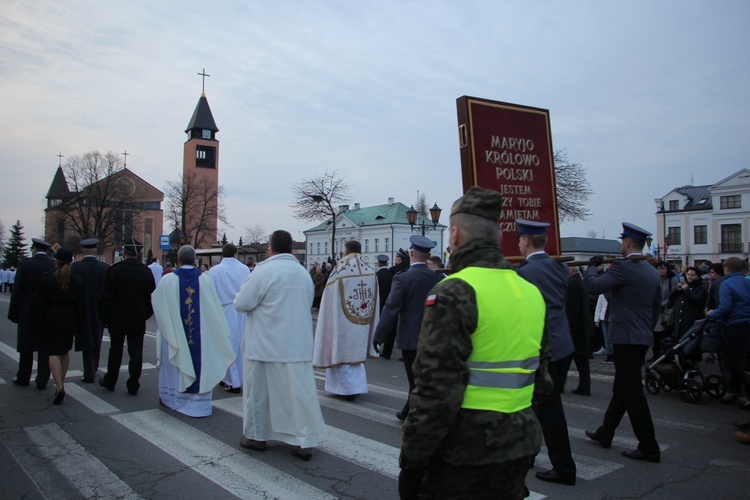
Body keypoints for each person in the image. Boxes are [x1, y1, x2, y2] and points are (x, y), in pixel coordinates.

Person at [399, 186, 552, 499]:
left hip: (464, 453)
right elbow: (542, 380)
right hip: (518, 445)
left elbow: (434, 391)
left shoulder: (454, 291)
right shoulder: (529, 291)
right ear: (498, 238)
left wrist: (412, 463)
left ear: (454, 236)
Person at [234, 230, 327, 460]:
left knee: (258, 394)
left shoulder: (263, 270)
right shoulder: (302, 273)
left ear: (270, 248)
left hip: (265, 343)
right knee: (298, 396)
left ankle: (256, 437)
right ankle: (302, 441)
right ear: (291, 249)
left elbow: (242, 303)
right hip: (296, 344)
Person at [584, 222, 662, 463]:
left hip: (625, 337)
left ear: (628, 243)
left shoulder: (624, 267)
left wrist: (591, 268)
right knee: (623, 387)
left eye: (622, 241)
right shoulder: (650, 270)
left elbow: (593, 287)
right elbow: (656, 307)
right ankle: (606, 433)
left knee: (632, 391)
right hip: (641, 336)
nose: (621, 245)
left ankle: (649, 446)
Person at [515, 218, 576, 486]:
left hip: (541, 348)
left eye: (519, 238)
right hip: (563, 344)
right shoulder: (559, 268)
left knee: (548, 411)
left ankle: (564, 468)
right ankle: (528, 454)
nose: (518, 242)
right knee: (534, 405)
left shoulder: (525, 273)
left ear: (526, 240)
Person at [152, 245, 235, 417]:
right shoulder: (205, 281)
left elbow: (158, 306)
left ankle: (172, 399)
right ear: (194, 260)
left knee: (176, 362)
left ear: (179, 259)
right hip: (202, 339)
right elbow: (214, 309)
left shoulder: (167, 281)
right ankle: (198, 406)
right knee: (201, 362)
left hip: (175, 336)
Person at [373, 235, 442, 421]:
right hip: (432, 336)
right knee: (421, 377)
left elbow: (391, 309)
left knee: (415, 379)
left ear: (411, 253)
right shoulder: (437, 278)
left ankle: (414, 416)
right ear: (428, 255)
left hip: (410, 337)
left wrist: (378, 335)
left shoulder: (403, 278)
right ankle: (407, 411)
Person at [313, 240, 379, 400]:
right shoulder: (370, 270)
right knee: (356, 353)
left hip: (343, 321)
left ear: (346, 252)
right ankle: (356, 386)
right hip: (363, 320)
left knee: (341, 351)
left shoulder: (339, 271)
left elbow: (329, 300)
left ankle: (346, 389)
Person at [98, 238, 156, 395]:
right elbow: (151, 297)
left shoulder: (115, 270)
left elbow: (106, 297)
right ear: (138, 254)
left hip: (117, 317)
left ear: (124, 253)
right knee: (136, 351)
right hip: (137, 317)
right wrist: (145, 314)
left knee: (115, 350)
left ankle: (111, 380)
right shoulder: (145, 272)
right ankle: (133, 384)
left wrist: (105, 318)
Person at [31, 248, 85, 405]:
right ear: (71, 261)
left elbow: (40, 304)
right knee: (64, 352)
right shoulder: (77, 280)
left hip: (51, 318)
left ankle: (59, 386)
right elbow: (81, 305)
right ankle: (61, 381)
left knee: (52, 352)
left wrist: (35, 323)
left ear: (56, 261)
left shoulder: (47, 279)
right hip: (70, 318)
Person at [8, 238, 55, 389]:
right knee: (44, 347)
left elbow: (17, 291)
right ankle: (42, 380)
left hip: (27, 308)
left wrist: (13, 312)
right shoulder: (52, 265)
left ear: (34, 249)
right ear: (47, 251)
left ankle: (23, 377)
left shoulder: (25, 264)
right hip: (47, 310)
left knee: (26, 345)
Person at [707, 257, 750, 408]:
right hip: (747, 323)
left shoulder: (726, 284)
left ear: (726, 269)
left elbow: (724, 308)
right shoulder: (747, 281)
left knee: (735, 360)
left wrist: (711, 313)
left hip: (734, 324)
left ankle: (735, 389)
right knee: (744, 359)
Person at [208, 243, 251, 393]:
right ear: (236, 254)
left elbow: (211, 292)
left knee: (226, 345)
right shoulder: (244, 269)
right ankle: (234, 376)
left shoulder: (214, 271)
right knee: (240, 346)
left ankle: (233, 381)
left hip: (224, 311)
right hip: (241, 311)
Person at [71, 238, 110, 383]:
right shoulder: (104, 268)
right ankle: (93, 368)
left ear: (82, 251)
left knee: (85, 339)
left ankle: (88, 371)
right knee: (97, 337)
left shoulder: (75, 268)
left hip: (81, 308)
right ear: (95, 251)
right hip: (99, 308)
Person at [380, 248, 410, 360]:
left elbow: (387, 288)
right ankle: (405, 353)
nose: (395, 259)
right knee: (406, 328)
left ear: (400, 259)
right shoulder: (410, 270)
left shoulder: (392, 270)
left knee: (391, 329)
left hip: (394, 302)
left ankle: (387, 352)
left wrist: (384, 302)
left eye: (396, 258)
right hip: (407, 303)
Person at [567, 266, 592, 396]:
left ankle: (559, 384)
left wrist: (569, 330)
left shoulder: (572, 284)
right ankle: (585, 385)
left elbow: (572, 308)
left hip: (575, 330)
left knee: (564, 360)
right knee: (582, 362)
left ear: (570, 270)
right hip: (582, 327)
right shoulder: (580, 282)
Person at [667, 266, 707, 339]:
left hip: (692, 319)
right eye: (688, 274)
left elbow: (698, 300)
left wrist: (687, 290)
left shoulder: (701, 288)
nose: (690, 277)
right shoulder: (683, 285)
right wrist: (677, 291)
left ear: (697, 277)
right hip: (679, 320)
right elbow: (671, 299)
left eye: (692, 275)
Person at [652, 261, 678, 359]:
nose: (662, 270)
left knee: (664, 333)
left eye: (663, 268)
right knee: (655, 333)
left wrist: (663, 304)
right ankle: (656, 354)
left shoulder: (673, 279)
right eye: (659, 268)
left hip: (667, 310)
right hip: (655, 309)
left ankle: (665, 355)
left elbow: (674, 294)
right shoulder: (655, 279)